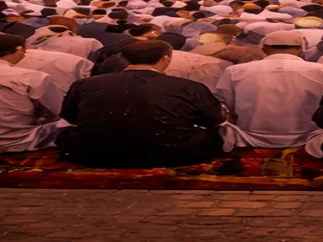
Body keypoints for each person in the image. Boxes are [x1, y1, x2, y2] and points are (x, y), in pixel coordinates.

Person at [58, 40, 226, 167]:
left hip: (94, 154)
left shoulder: (86, 84)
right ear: (166, 59)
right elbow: (213, 120)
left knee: (65, 134)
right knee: (216, 136)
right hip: (174, 153)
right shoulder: (188, 86)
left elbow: (71, 117)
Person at [214, 30, 323, 149]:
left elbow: (225, 103)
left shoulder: (234, 71)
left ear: (264, 49)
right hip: (310, 136)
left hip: (247, 136)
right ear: (300, 49)